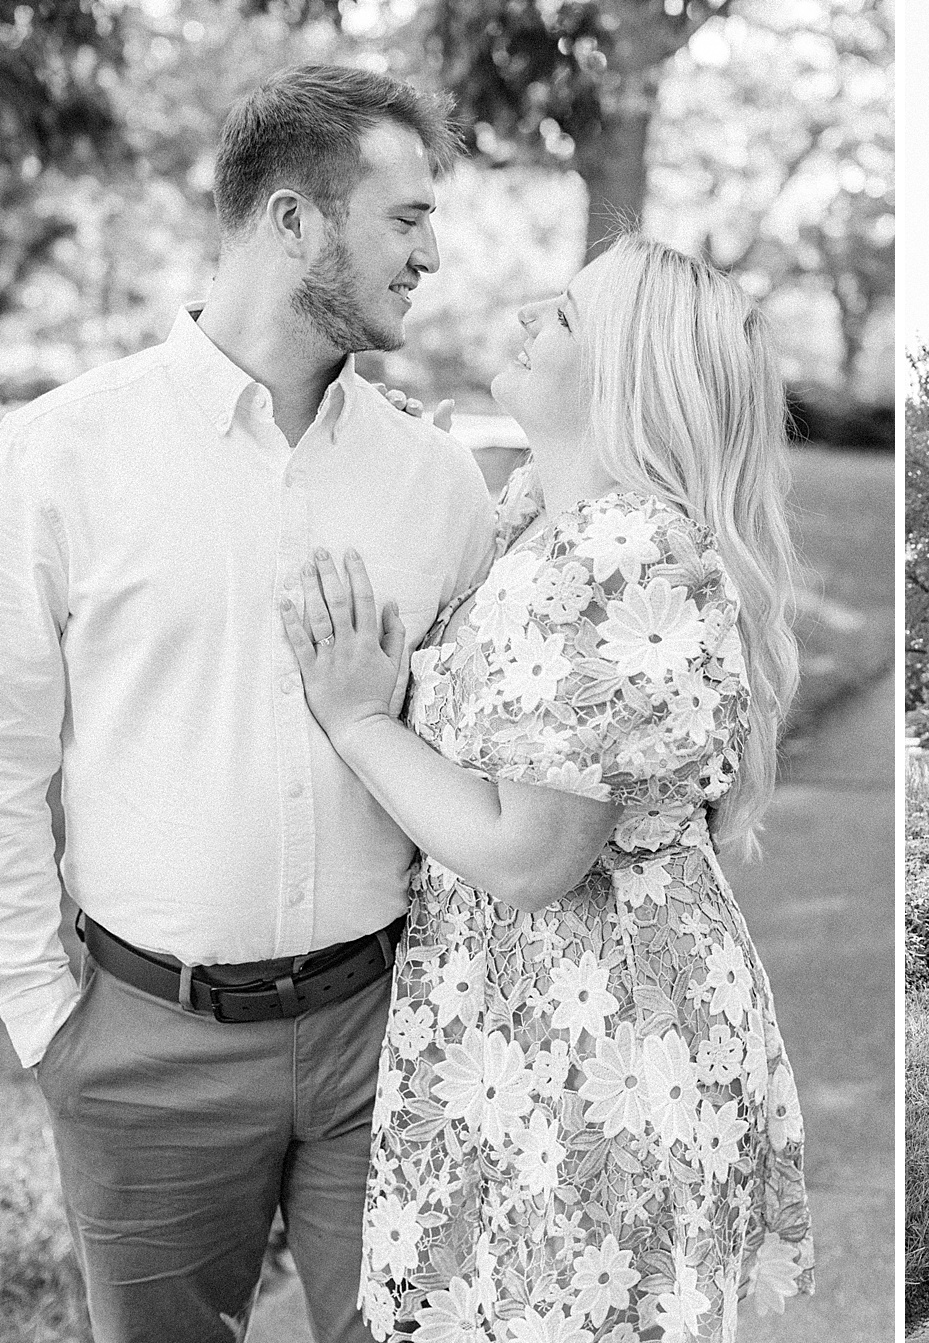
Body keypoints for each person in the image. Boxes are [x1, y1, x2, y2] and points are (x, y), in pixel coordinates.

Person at [0, 66, 495, 1343]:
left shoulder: (437, 483)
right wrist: (45, 1020)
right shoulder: (58, 454)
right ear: (292, 220)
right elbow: (4, 758)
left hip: (388, 1037)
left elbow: (493, 746)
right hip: (141, 1047)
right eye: (406, 218)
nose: (433, 254)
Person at [279, 234, 815, 1340]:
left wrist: (359, 719)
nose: (527, 311)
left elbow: (530, 855)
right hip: (528, 1028)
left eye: (566, 315)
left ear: (629, 379)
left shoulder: (625, 555)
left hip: (587, 1048)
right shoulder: (542, 527)